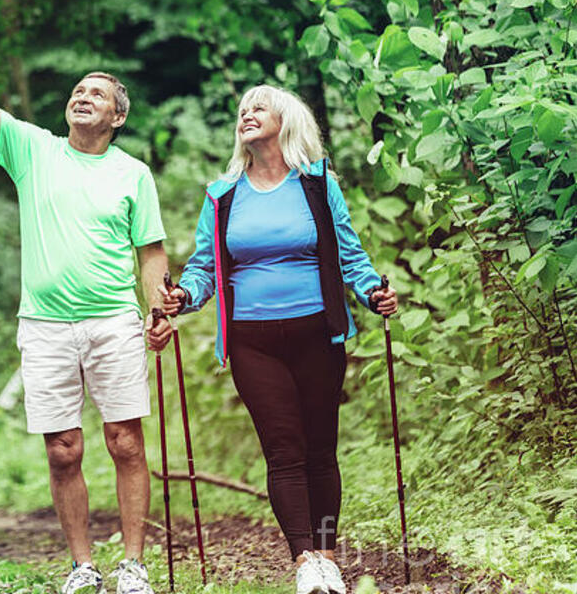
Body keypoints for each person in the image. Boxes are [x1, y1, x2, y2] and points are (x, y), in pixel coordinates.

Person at [0, 0, 174, 594]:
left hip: (114, 321)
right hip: (43, 325)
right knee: (63, 450)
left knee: (125, 441)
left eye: (96, 92)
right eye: (77, 90)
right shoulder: (33, 148)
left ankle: (134, 567)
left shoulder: (132, 174)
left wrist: (158, 307)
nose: (81, 95)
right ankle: (82, 566)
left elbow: (150, 252)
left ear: (117, 117)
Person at [161, 85, 399, 594]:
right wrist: (184, 295)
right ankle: (304, 562)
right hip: (254, 342)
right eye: (242, 111)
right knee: (283, 449)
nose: (246, 115)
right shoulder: (222, 196)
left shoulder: (317, 185)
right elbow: (205, 267)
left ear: (284, 119)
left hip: (318, 333)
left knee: (320, 449)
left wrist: (373, 290)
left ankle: (329, 557)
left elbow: (350, 255)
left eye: (258, 108)